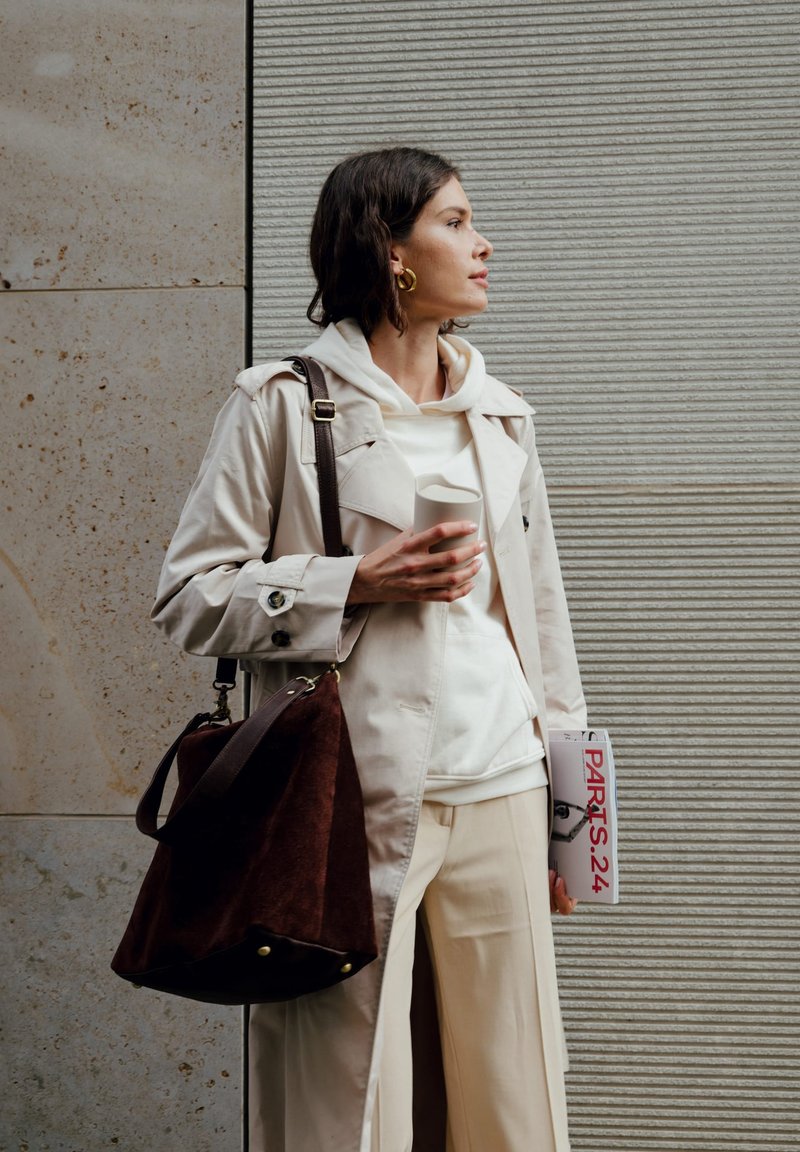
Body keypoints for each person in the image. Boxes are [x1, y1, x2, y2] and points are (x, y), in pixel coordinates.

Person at [152, 146, 587, 1152]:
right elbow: (187, 594)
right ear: (390, 252)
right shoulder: (280, 402)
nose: (482, 245)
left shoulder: (500, 414)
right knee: (341, 1097)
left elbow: (545, 631)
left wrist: (568, 819)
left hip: (505, 784)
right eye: (454, 222)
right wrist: (354, 583)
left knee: (514, 1092)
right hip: (341, 795)